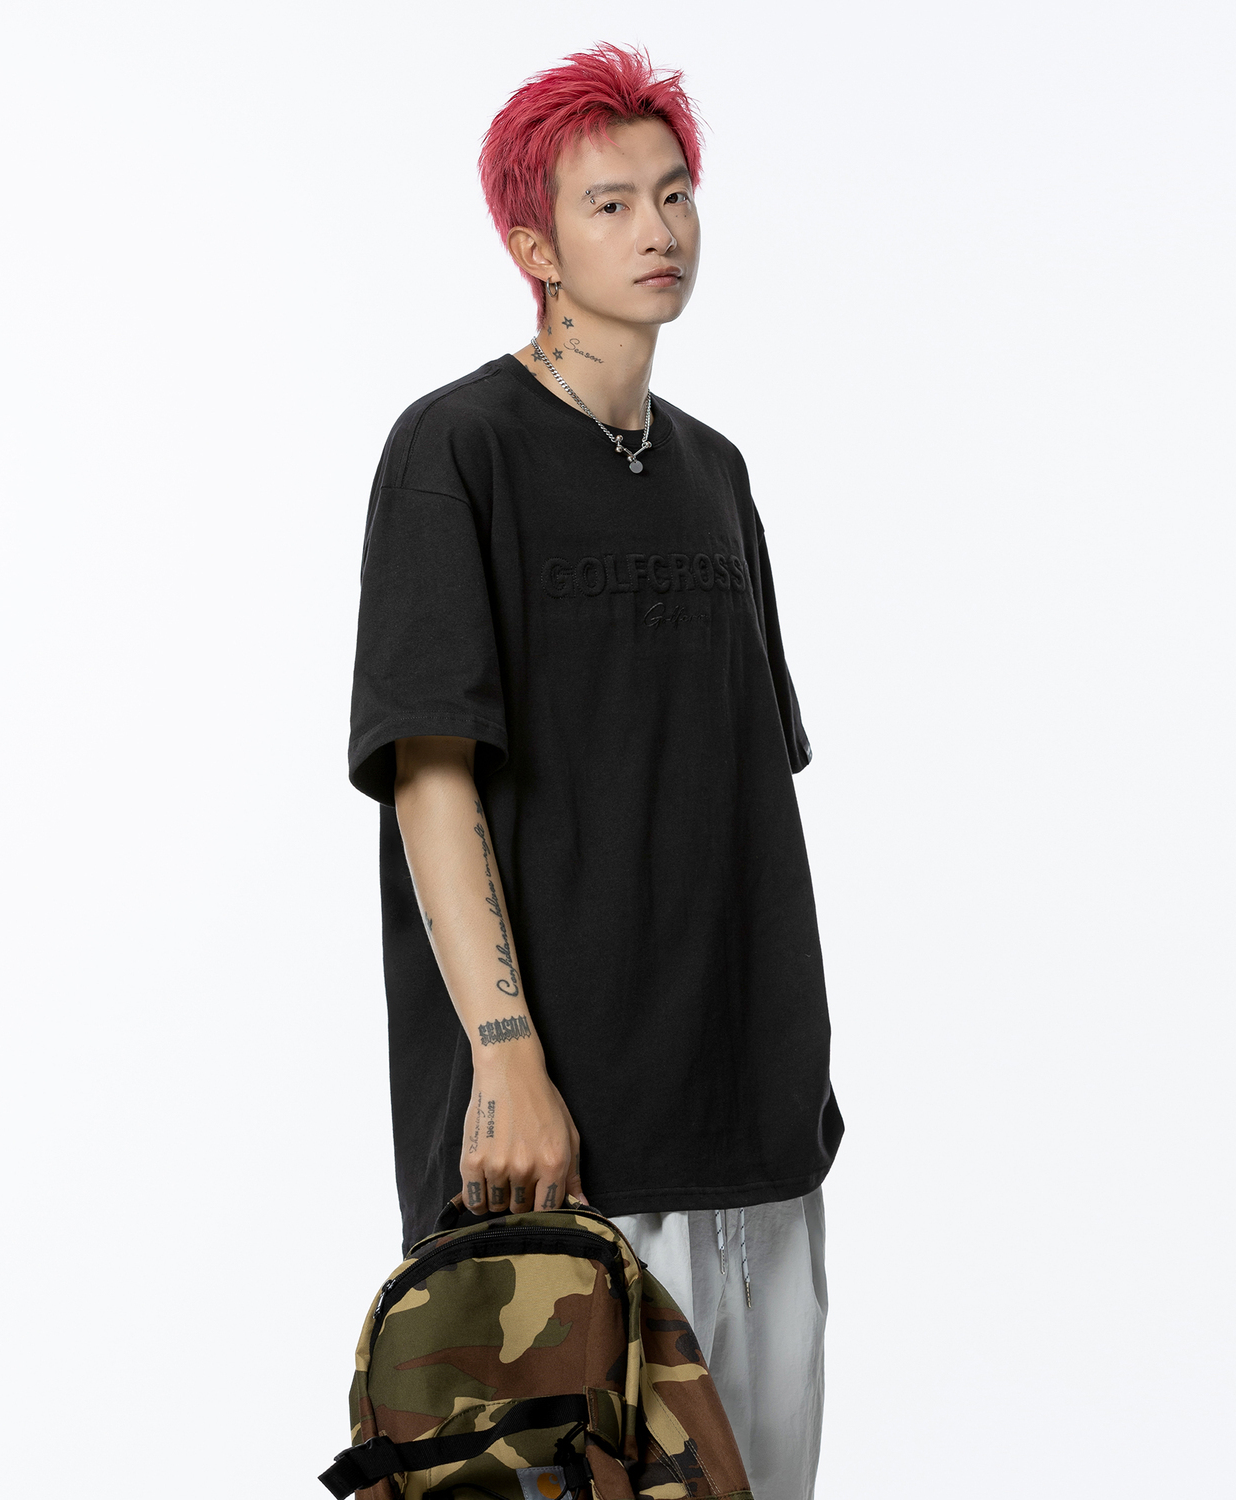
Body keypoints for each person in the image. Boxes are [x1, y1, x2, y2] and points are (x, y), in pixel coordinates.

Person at [347, 43, 843, 1499]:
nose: (659, 228)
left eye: (675, 194)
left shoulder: (715, 473)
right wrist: (508, 1058)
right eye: (612, 203)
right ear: (535, 247)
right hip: (562, 1146)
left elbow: (742, 791)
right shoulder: (457, 451)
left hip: (755, 1124)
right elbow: (430, 778)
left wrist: (796, 1075)